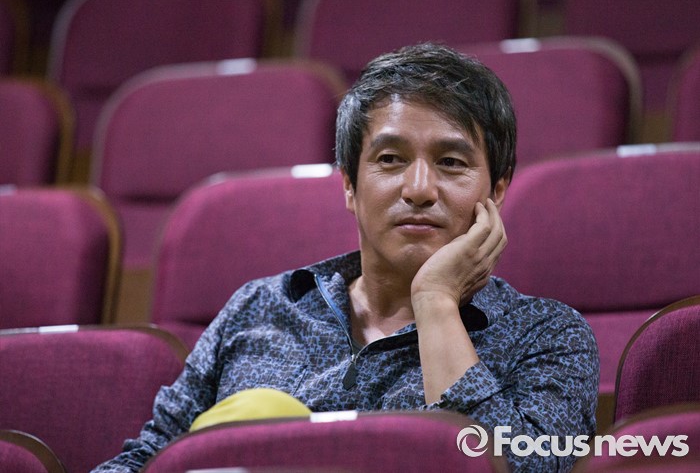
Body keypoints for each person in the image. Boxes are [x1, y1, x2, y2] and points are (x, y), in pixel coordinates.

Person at [93, 43, 598, 472]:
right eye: (390, 159)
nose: (419, 189)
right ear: (350, 186)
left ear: (497, 191)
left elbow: (523, 468)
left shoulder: (548, 336)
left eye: (451, 162)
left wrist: (436, 301)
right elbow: (144, 460)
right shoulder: (260, 308)